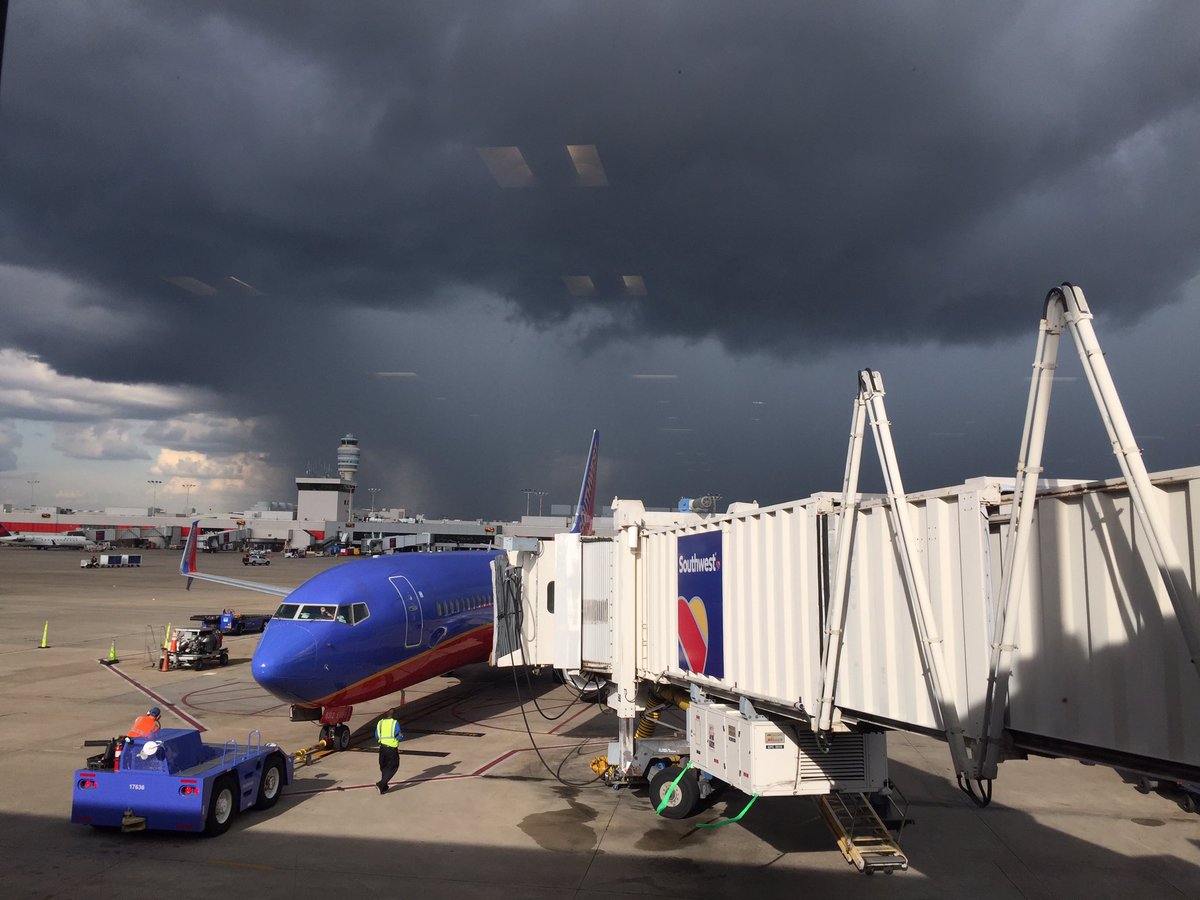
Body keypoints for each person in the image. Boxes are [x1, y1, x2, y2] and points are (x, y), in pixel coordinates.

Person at [375, 709, 402, 794]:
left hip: (382, 749)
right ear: (394, 715)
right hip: (391, 749)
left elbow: (376, 735)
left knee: (384, 767)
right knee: (394, 766)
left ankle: (384, 787)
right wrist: (397, 739)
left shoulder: (380, 722)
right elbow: (399, 736)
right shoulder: (395, 723)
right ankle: (381, 784)